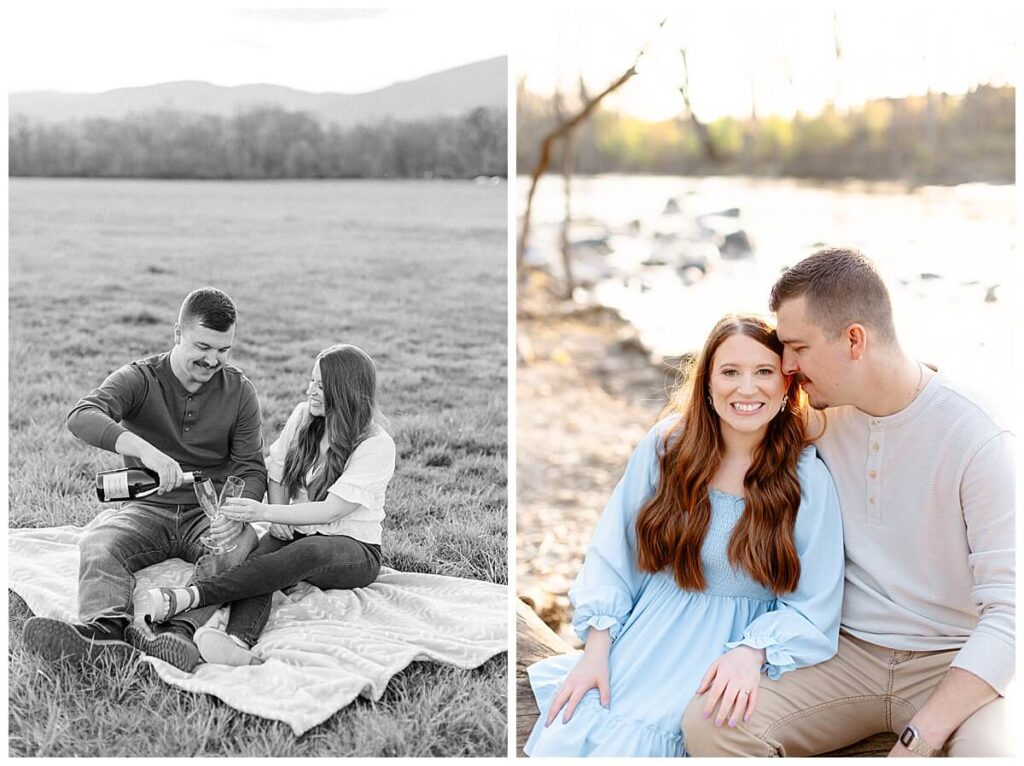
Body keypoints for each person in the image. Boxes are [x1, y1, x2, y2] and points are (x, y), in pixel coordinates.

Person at [682, 248, 1015, 757]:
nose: (786, 366)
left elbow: (1009, 617)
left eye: (797, 347)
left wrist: (918, 738)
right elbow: (727, 421)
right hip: (844, 651)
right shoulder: (820, 420)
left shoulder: (978, 438)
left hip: (950, 661)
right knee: (713, 722)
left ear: (854, 339)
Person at [523, 314, 844, 757]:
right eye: (730, 372)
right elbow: (614, 554)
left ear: (787, 386)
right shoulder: (667, 446)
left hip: (732, 654)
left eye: (764, 372)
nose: (746, 388)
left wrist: (753, 654)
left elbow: (815, 603)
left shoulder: (806, 476)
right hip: (647, 640)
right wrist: (595, 650)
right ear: (708, 384)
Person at [23, 287, 266, 672]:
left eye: (224, 350)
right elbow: (82, 415)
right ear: (177, 334)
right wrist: (146, 450)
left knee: (241, 548)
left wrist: (234, 514)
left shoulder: (239, 392)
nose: (213, 360)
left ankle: (177, 635)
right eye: (203, 346)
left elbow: (251, 468)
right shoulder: (140, 378)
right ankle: (104, 633)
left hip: (208, 513)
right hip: (146, 509)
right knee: (99, 543)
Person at [135, 343, 396, 666]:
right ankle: (236, 642)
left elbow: (332, 511)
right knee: (260, 563)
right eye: (311, 381)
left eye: (321, 387)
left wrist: (264, 512)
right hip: (295, 529)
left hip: (352, 549)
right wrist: (278, 514)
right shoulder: (305, 416)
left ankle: (189, 597)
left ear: (346, 393)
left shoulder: (376, 444)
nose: (309, 391)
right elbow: (278, 472)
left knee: (306, 552)